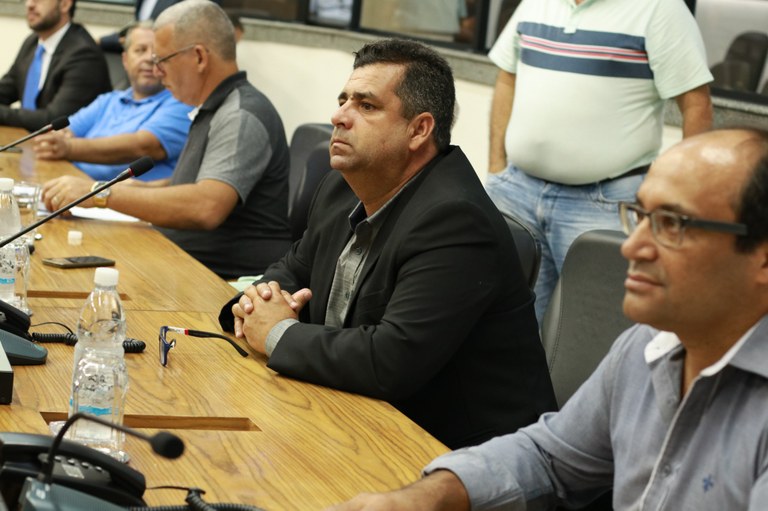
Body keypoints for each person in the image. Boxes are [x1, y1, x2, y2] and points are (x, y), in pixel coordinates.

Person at [327, 128, 768, 510]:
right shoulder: (644, 346)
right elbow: (549, 456)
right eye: (639, 216)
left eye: (672, 225)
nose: (632, 247)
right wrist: (424, 498)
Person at [218, 38, 557, 450]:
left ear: (419, 130)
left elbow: (391, 360)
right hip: (353, 413)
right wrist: (256, 305)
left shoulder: (456, 220)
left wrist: (276, 333)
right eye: (343, 100)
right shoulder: (341, 187)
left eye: (366, 106)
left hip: (457, 450)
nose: (338, 116)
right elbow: (291, 270)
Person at [485, 0, 714, 321]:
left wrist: (684, 196)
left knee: (591, 326)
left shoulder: (660, 8)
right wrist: (496, 167)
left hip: (604, 203)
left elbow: (696, 104)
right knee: (507, 320)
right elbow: (507, 76)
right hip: (516, 192)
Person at [41, 0, 291, 280]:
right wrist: (139, 188)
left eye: (162, 60)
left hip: (221, 279)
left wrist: (100, 193)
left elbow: (206, 206)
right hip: (182, 259)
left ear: (199, 57)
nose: (157, 71)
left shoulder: (240, 114)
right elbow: (197, 182)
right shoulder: (213, 105)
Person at [33, 21, 192, 182]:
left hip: (120, 196)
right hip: (70, 182)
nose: (149, 59)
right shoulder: (108, 101)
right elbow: (63, 134)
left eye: (156, 52)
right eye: (140, 50)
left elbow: (144, 146)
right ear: (125, 60)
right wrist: (57, 142)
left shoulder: (182, 102)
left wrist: (69, 147)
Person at [0, 0, 111, 130]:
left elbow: (53, 120)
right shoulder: (32, 42)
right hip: (27, 138)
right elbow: (6, 90)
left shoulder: (84, 54)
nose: (29, 4)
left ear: (64, 4)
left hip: (66, 140)